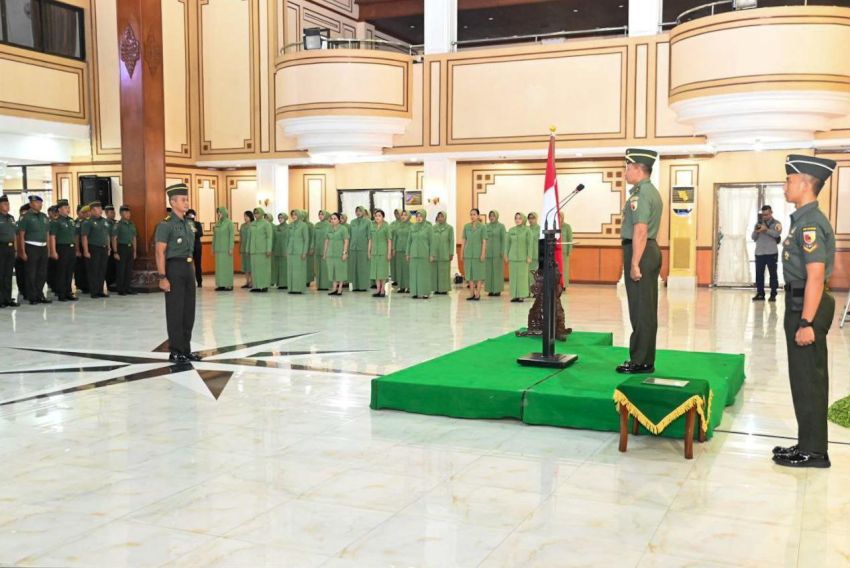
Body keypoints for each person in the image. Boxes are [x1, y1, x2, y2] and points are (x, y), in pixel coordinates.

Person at [772, 155, 837, 469]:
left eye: (788, 180)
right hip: (800, 301)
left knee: (808, 379)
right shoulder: (802, 219)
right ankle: (808, 442)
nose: (785, 185)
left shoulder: (810, 223)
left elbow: (814, 275)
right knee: (803, 377)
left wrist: (807, 322)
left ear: (804, 183)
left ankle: (814, 451)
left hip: (806, 304)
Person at [617, 148, 663, 374]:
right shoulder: (648, 191)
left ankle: (641, 361)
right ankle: (644, 358)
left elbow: (641, 230)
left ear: (637, 168)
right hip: (646, 250)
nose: (625, 172)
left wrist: (635, 262)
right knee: (644, 307)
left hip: (641, 252)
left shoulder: (641, 194)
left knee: (641, 308)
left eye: (627, 167)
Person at [155, 184, 201, 363]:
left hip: (188, 268)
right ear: (173, 202)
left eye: (187, 199)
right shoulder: (165, 225)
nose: (186, 202)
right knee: (175, 311)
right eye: (183, 199)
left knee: (188, 311)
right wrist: (162, 277)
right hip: (174, 269)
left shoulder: (189, 224)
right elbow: (160, 252)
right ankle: (175, 350)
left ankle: (186, 349)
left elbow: (190, 250)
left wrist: (193, 272)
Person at [18, 195, 51, 305]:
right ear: (31, 204)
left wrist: (48, 248)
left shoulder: (44, 217)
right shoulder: (25, 217)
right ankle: (32, 296)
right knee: (31, 272)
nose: (39, 204)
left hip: (43, 247)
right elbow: (21, 235)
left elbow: (47, 233)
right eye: (36, 202)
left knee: (42, 273)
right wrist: (22, 251)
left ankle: (39, 294)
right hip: (31, 246)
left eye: (40, 202)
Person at [48, 199, 78, 302]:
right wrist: (53, 251)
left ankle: (68, 292)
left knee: (69, 271)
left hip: (71, 248)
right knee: (61, 272)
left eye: (68, 207)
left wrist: (76, 249)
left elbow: (74, 236)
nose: (68, 209)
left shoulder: (71, 221)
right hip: (61, 248)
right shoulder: (56, 222)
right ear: (59, 210)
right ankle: (61, 293)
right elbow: (52, 237)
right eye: (65, 208)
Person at [81, 201, 112, 299]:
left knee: (102, 270)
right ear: (92, 211)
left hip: (104, 248)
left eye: (100, 209)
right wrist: (86, 251)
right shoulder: (87, 222)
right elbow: (84, 237)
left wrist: (109, 247)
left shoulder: (104, 221)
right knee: (93, 270)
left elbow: (107, 235)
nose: (99, 211)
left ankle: (100, 290)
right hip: (93, 248)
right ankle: (94, 291)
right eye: (97, 209)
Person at [752, 204, 782, 302]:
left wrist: (766, 230)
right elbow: (753, 238)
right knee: (759, 274)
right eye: (763, 214)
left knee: (773, 274)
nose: (765, 216)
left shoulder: (776, 223)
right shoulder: (758, 223)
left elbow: (777, 234)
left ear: (771, 213)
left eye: (767, 214)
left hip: (771, 253)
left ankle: (773, 294)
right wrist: (756, 230)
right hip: (759, 253)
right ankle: (760, 293)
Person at [505, 212, 534, 302]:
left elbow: (530, 244)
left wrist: (529, 256)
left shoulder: (527, 230)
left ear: (523, 219)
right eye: (516, 218)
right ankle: (514, 295)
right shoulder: (511, 230)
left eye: (519, 218)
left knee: (522, 277)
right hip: (513, 257)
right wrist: (506, 255)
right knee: (513, 277)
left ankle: (521, 295)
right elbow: (507, 244)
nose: (517, 220)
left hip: (523, 258)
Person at [111, 205, 138, 296]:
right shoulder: (118, 225)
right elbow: (114, 239)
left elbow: (134, 238)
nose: (128, 214)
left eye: (129, 212)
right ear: (121, 214)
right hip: (121, 248)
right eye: (126, 212)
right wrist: (115, 252)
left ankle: (128, 288)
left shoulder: (132, 224)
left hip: (130, 248)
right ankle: (120, 289)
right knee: (121, 269)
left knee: (129, 270)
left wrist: (134, 251)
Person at [462, 208, 487, 301]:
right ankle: (471, 293)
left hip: (478, 253)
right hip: (468, 254)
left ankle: (478, 294)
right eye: (471, 214)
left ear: (478, 216)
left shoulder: (483, 227)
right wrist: (462, 253)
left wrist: (483, 253)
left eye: (474, 214)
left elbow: (484, 241)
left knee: (479, 274)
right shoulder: (466, 226)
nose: (472, 216)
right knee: (470, 274)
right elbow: (464, 240)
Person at [407, 210, 433, 299]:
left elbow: (432, 242)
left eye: (420, 216)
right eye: (417, 216)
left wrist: (431, 254)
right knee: (414, 274)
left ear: (424, 217)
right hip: (413, 254)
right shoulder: (412, 227)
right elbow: (409, 241)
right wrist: (407, 253)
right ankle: (414, 292)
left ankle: (425, 292)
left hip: (424, 254)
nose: (419, 218)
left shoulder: (429, 227)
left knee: (424, 274)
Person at [324, 212, 349, 296]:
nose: (333, 220)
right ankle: (334, 288)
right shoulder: (328, 228)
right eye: (331, 219)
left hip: (339, 253)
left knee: (340, 271)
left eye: (335, 219)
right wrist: (325, 253)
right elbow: (326, 241)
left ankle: (340, 289)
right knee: (333, 271)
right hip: (330, 253)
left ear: (339, 220)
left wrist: (344, 253)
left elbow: (346, 241)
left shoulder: (343, 229)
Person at [369, 209, 392, 298]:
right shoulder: (372, 226)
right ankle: (378, 289)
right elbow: (370, 239)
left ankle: (382, 290)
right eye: (376, 216)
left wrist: (389, 253)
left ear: (383, 217)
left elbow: (389, 240)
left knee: (382, 272)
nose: (377, 217)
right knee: (376, 272)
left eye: (379, 216)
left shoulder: (386, 226)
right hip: (374, 252)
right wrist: (369, 251)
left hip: (383, 252)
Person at [0, 195, 19, 308]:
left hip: (10, 248)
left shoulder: (11, 218)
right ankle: (1, 299)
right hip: (1, 248)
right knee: (1, 274)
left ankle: (8, 298)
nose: (7, 206)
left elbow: (15, 235)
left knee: (8, 275)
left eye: (8, 204)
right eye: (5, 204)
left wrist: (16, 249)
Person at [249, 207, 273, 292]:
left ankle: (263, 285)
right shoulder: (252, 224)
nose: (256, 215)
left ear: (262, 213)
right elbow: (250, 237)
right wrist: (249, 249)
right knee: (254, 268)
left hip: (263, 250)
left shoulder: (266, 224)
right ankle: (256, 286)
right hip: (254, 250)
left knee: (263, 268)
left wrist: (268, 249)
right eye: (255, 213)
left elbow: (269, 237)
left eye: (258, 213)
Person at [430, 211, 454, 295]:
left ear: (445, 217)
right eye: (439, 216)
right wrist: (431, 253)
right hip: (435, 253)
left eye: (442, 216)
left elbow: (451, 241)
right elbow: (431, 241)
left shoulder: (449, 228)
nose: (440, 218)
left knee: (444, 271)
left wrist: (451, 253)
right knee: (435, 271)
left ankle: (444, 289)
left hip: (445, 252)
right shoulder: (433, 228)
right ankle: (436, 288)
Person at [212, 207, 234, 291]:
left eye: (220, 212)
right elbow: (214, 236)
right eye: (218, 213)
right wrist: (213, 247)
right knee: (219, 268)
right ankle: (221, 284)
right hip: (218, 249)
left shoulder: (229, 223)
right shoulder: (217, 223)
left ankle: (228, 284)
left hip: (226, 249)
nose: (219, 214)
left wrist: (231, 248)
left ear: (224, 213)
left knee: (226, 267)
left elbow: (231, 236)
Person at [348, 206, 371, 291]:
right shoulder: (352, 222)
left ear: (363, 212)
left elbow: (369, 237)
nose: (358, 212)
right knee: (354, 268)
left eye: (360, 211)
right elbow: (349, 236)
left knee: (363, 268)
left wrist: (369, 250)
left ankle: (363, 286)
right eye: (356, 211)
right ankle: (355, 286)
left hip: (363, 248)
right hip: (353, 248)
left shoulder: (368, 222)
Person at [286, 209, 309, 294]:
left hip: (299, 251)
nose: (293, 216)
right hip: (291, 251)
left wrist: (304, 252)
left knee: (299, 271)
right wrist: (287, 250)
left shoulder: (303, 225)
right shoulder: (290, 225)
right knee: (291, 270)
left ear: (299, 215)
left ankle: (298, 288)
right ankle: (291, 288)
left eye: (295, 214)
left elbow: (306, 240)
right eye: (292, 215)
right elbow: (288, 239)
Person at [484, 210, 506, 296]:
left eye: (493, 215)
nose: (491, 217)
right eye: (490, 216)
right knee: (489, 271)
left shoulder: (501, 226)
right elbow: (484, 239)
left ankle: (497, 290)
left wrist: (503, 251)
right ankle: (490, 289)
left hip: (498, 252)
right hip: (488, 252)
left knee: (497, 272)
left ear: (497, 216)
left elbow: (504, 240)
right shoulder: (486, 226)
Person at [392, 210, 411, 293]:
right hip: (399, 250)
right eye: (402, 215)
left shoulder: (412, 226)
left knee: (407, 269)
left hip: (407, 250)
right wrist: (393, 248)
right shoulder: (398, 226)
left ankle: (408, 286)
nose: (403, 216)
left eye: (405, 215)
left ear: (409, 216)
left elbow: (412, 239)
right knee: (399, 269)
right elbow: (395, 238)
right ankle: (401, 286)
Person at [74, 205, 90, 296]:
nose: (88, 214)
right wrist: (77, 250)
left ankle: (88, 285)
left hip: (88, 245)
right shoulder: (78, 223)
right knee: (80, 267)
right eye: (84, 212)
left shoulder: (88, 222)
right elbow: (76, 237)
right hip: (79, 246)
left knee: (87, 267)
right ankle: (81, 285)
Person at [15, 203, 29, 301]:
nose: (23, 216)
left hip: (30, 251)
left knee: (29, 272)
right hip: (19, 252)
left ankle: (29, 291)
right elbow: (15, 238)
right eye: (22, 214)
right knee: (20, 272)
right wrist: (16, 250)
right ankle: (23, 290)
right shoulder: (17, 224)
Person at [313, 210, 331, 290]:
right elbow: (313, 237)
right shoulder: (316, 225)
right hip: (317, 248)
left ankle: (325, 285)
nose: (320, 216)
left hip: (326, 249)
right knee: (318, 268)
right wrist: (312, 247)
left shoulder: (329, 225)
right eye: (319, 214)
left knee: (325, 268)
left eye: (322, 214)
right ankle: (319, 285)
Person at [186, 209, 204, 288]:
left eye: (192, 215)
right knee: (187, 265)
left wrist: (193, 229)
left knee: (197, 265)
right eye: (189, 215)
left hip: (196, 248)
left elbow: (200, 234)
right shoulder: (184, 224)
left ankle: (199, 282)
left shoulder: (197, 224)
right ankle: (188, 282)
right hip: (187, 248)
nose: (191, 217)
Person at [273, 212, 288, 290]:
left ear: (285, 218)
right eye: (279, 218)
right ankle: (279, 283)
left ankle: (285, 283)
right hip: (277, 249)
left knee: (284, 267)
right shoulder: (276, 227)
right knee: (278, 267)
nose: (280, 219)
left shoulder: (288, 227)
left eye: (281, 218)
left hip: (285, 249)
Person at [559, 210, 574, 288]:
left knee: (564, 269)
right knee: (557, 269)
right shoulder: (554, 226)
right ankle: (557, 284)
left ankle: (563, 285)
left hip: (564, 252)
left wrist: (569, 251)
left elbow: (570, 239)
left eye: (560, 216)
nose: (559, 218)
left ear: (563, 217)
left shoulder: (567, 227)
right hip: (556, 251)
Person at [104, 204, 118, 290]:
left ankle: (115, 282)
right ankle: (110, 284)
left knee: (116, 266)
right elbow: (106, 236)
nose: (113, 214)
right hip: (109, 247)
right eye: (111, 212)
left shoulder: (116, 223)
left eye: (114, 212)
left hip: (116, 246)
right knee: (109, 267)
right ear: (106, 213)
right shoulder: (105, 223)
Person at [46, 205, 59, 295]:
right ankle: (52, 284)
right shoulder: (47, 222)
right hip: (50, 247)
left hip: (59, 246)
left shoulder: (58, 222)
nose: (55, 213)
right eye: (53, 212)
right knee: (51, 268)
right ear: (49, 213)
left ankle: (56, 285)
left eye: (56, 211)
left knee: (57, 268)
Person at [239, 210, 254, 288]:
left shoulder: (253, 225)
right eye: (244, 216)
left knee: (250, 266)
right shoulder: (242, 226)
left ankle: (252, 282)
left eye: (247, 216)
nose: (245, 218)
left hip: (251, 248)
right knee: (245, 266)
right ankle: (247, 281)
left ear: (250, 217)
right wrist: (240, 247)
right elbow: (241, 237)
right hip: (244, 248)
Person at [527, 212, 540, 296]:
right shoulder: (526, 229)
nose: (531, 220)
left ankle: (536, 291)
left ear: (536, 218)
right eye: (530, 218)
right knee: (527, 274)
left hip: (536, 254)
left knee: (535, 274)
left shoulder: (540, 228)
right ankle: (527, 291)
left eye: (533, 218)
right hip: (527, 255)